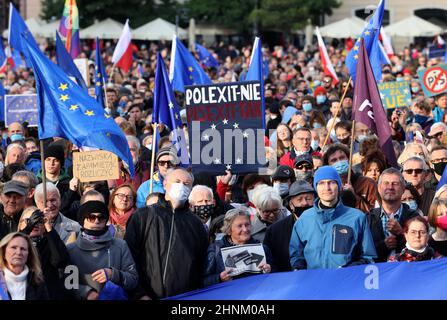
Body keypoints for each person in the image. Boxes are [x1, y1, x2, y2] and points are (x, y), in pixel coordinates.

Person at [124, 168, 208, 299]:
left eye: (186, 184)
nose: (181, 186)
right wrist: (139, 294)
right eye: (177, 181)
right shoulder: (142, 217)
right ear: (165, 184)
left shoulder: (196, 224)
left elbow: (201, 264)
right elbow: (129, 258)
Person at [289, 166, 376, 270]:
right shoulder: (305, 219)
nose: (327, 188)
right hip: (313, 283)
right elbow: (296, 256)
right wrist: (301, 272)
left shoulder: (357, 218)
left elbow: (367, 257)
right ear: (316, 187)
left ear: (339, 186)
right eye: (321, 183)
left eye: (331, 182)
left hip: (345, 283)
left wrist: (349, 269)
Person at [67, 201, 138, 300]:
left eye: (101, 217)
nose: (96, 221)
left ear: (105, 221)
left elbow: (133, 280)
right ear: (82, 220)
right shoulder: (71, 249)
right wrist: (86, 292)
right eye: (91, 217)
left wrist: (113, 274)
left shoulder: (120, 246)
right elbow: (67, 283)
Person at [202, 207, 272, 287]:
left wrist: (269, 270)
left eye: (247, 225)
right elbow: (204, 281)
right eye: (239, 226)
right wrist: (219, 278)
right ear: (228, 230)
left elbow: (275, 274)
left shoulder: (262, 248)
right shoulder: (216, 250)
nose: (245, 229)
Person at [367, 168, 420, 262]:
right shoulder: (368, 218)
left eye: (395, 183)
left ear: (403, 189)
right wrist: (383, 245)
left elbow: (421, 248)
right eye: (386, 183)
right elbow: (363, 252)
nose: (390, 187)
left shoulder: (414, 217)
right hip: (378, 274)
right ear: (379, 189)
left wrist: (402, 233)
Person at [18, 206, 70, 299]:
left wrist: (49, 226)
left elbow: (60, 261)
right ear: (20, 224)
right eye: (29, 220)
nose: (35, 224)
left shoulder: (50, 242)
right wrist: (28, 228)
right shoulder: (13, 242)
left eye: (39, 221)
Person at [263, 180, 315, 272]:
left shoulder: (324, 223)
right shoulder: (275, 231)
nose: (305, 203)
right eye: (299, 199)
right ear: (291, 205)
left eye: (308, 198)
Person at [323, 143, 378, 213]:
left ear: (349, 160)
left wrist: (354, 196)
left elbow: (375, 213)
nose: (339, 162)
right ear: (328, 165)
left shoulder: (367, 184)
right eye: (334, 160)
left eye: (342, 157)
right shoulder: (326, 187)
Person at [0, 232, 49, 300]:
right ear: (3, 251)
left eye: (23, 249)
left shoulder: (37, 283)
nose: (18, 252)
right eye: (14, 247)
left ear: (29, 254)